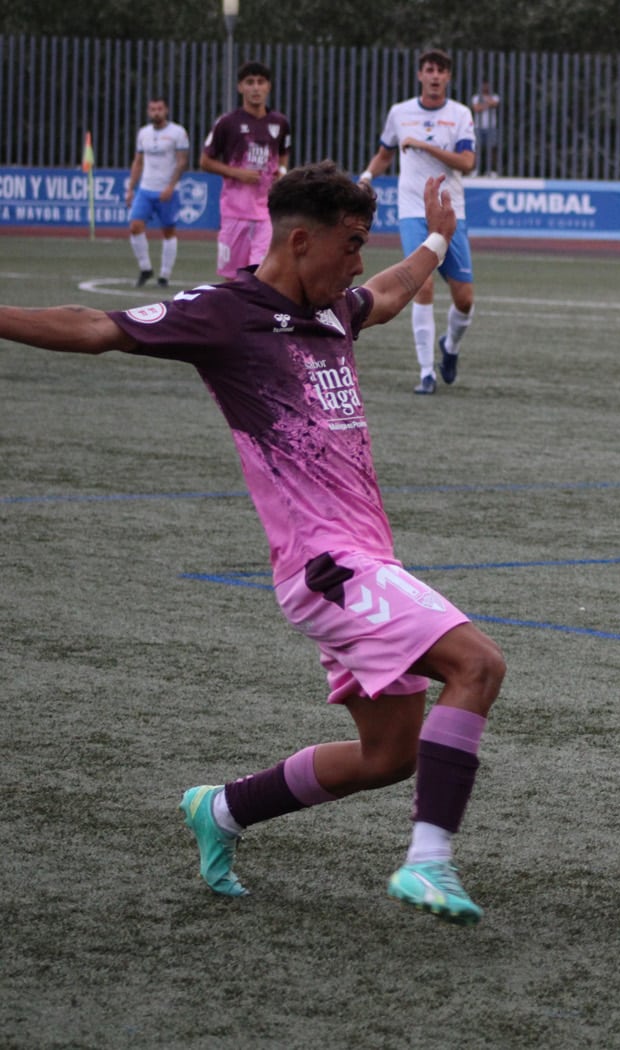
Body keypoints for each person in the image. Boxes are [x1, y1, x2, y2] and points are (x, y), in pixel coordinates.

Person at [0, 161, 506, 926]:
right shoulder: (226, 313)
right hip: (327, 565)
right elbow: (95, 325)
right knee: (477, 663)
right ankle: (428, 862)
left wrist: (438, 234)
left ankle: (224, 809)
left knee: (390, 755)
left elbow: (396, 290)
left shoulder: (333, 308)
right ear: (301, 241)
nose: (359, 262)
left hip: (364, 559)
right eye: (351, 244)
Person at [360, 48, 478, 395]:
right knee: (421, 285)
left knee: (465, 299)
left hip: (449, 211)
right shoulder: (400, 113)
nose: (435, 76)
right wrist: (366, 177)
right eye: (430, 70)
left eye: (442, 71)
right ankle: (426, 372)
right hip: (414, 210)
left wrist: (425, 146)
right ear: (420, 75)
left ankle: (450, 348)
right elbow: (385, 154)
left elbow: (467, 162)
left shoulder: (459, 113)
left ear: (449, 78)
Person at [199, 61, 292, 280]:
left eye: (261, 82)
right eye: (250, 82)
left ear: (268, 87)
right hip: (235, 213)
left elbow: (283, 153)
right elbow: (205, 161)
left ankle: (258, 315)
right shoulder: (227, 123)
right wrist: (236, 173)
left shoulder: (280, 123)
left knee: (262, 275)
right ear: (240, 87)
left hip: (266, 213)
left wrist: (282, 171)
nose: (256, 88)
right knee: (233, 278)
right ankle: (233, 314)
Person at [124, 96, 189, 288]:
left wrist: (171, 186)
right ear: (148, 112)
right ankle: (145, 268)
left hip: (167, 190)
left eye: (159, 109)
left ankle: (164, 275)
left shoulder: (177, 132)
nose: (156, 113)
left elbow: (182, 161)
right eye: (152, 109)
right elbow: (138, 161)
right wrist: (130, 188)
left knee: (168, 231)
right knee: (135, 226)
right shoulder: (143, 133)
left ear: (166, 110)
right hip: (145, 189)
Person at [470, 80, 501, 177]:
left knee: (491, 149)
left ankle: (491, 170)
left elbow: (494, 104)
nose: (485, 87)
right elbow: (476, 109)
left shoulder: (495, 96)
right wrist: (488, 104)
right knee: (477, 149)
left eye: (487, 85)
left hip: (491, 127)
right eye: (484, 85)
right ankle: (476, 170)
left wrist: (483, 104)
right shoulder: (476, 97)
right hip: (478, 127)